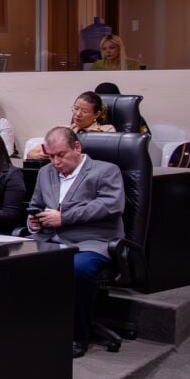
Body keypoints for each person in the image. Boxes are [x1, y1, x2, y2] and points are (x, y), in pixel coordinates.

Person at [28, 127, 126, 356]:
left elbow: (111, 205)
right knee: (12, 261)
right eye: (50, 156)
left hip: (92, 241)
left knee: (77, 269)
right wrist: (34, 221)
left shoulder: (105, 171)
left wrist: (64, 217)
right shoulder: (45, 173)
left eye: (61, 154)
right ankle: (29, 328)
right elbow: (36, 205)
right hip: (51, 239)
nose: (55, 161)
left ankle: (77, 336)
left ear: (77, 148)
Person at [25, 92, 115, 159]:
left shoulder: (107, 130)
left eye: (84, 111)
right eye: (76, 108)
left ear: (97, 114)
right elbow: (31, 153)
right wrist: (41, 155)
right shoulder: (65, 130)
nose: (78, 114)